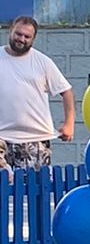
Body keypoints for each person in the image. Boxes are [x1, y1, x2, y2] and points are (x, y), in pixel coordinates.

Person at [0, 16, 74, 170]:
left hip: (36, 139)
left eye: (27, 37)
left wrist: (69, 124)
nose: (22, 39)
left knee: (37, 189)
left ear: (33, 39)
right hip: (2, 138)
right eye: (18, 34)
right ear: (10, 31)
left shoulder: (43, 62)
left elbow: (66, 91)